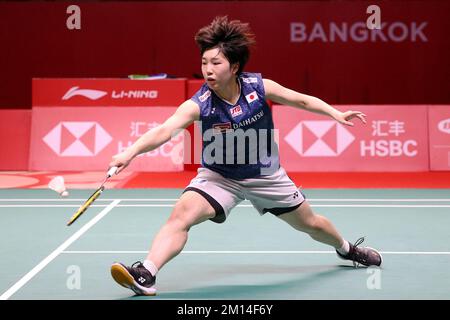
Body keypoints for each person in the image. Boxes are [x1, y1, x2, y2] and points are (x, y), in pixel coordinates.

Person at [109, 16, 382, 296]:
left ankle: (347, 249)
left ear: (235, 66)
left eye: (216, 63)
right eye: (204, 63)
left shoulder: (258, 87)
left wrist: (335, 114)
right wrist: (130, 153)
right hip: (220, 177)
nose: (208, 70)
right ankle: (146, 272)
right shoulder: (200, 104)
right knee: (181, 215)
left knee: (311, 224)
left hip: (266, 175)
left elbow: (300, 99)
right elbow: (166, 129)